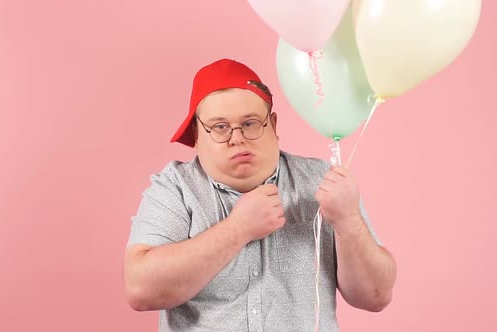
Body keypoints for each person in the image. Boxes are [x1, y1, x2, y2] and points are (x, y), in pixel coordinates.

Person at [124, 58, 397, 331]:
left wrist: (349, 222)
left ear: (273, 125)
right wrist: (237, 229)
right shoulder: (175, 189)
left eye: (251, 123)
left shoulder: (321, 180)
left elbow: (376, 296)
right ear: (196, 134)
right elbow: (140, 289)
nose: (237, 138)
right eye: (220, 127)